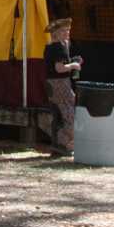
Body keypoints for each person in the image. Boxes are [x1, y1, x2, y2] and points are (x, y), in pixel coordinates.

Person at [44, 13, 82, 159]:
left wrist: (72, 61)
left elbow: (58, 65)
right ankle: (63, 144)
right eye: (64, 31)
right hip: (59, 84)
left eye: (68, 30)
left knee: (59, 115)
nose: (67, 33)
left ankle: (58, 146)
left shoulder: (57, 46)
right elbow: (59, 68)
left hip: (55, 84)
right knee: (69, 115)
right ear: (56, 34)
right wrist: (73, 65)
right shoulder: (57, 47)